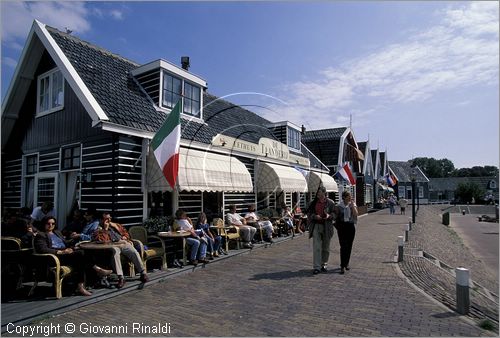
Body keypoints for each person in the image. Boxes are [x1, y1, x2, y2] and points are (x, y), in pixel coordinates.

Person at [34, 216, 112, 296]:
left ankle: (82, 285)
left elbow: (65, 243)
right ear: (44, 224)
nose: (51, 225)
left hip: (66, 254)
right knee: (80, 255)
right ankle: (97, 271)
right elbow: (42, 249)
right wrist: (61, 252)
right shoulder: (41, 235)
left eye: (53, 223)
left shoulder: (56, 232)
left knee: (83, 253)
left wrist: (73, 245)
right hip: (55, 257)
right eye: (48, 223)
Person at [92, 212, 149, 288]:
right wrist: (105, 229)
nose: (109, 220)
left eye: (110, 218)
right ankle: (121, 278)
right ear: (101, 220)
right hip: (112, 244)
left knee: (134, 252)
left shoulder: (115, 225)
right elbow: (102, 241)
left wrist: (125, 237)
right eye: (106, 219)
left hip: (122, 242)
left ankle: (143, 273)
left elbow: (126, 233)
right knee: (115, 254)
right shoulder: (98, 228)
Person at [306, 186, 336, 275]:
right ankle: (317, 267)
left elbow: (335, 213)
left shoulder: (331, 203)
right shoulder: (313, 203)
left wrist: (329, 216)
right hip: (316, 226)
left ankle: (324, 264)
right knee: (317, 247)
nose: (317, 193)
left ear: (324, 193)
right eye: (317, 192)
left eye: (319, 192)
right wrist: (314, 216)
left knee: (326, 248)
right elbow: (309, 213)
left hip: (327, 226)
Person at [334, 191, 358, 274]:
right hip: (342, 227)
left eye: (350, 196)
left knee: (349, 246)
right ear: (344, 197)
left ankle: (346, 263)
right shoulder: (339, 206)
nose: (350, 198)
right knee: (343, 246)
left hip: (350, 226)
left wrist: (352, 207)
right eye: (348, 196)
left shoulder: (353, 204)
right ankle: (342, 265)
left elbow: (355, 215)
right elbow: (336, 215)